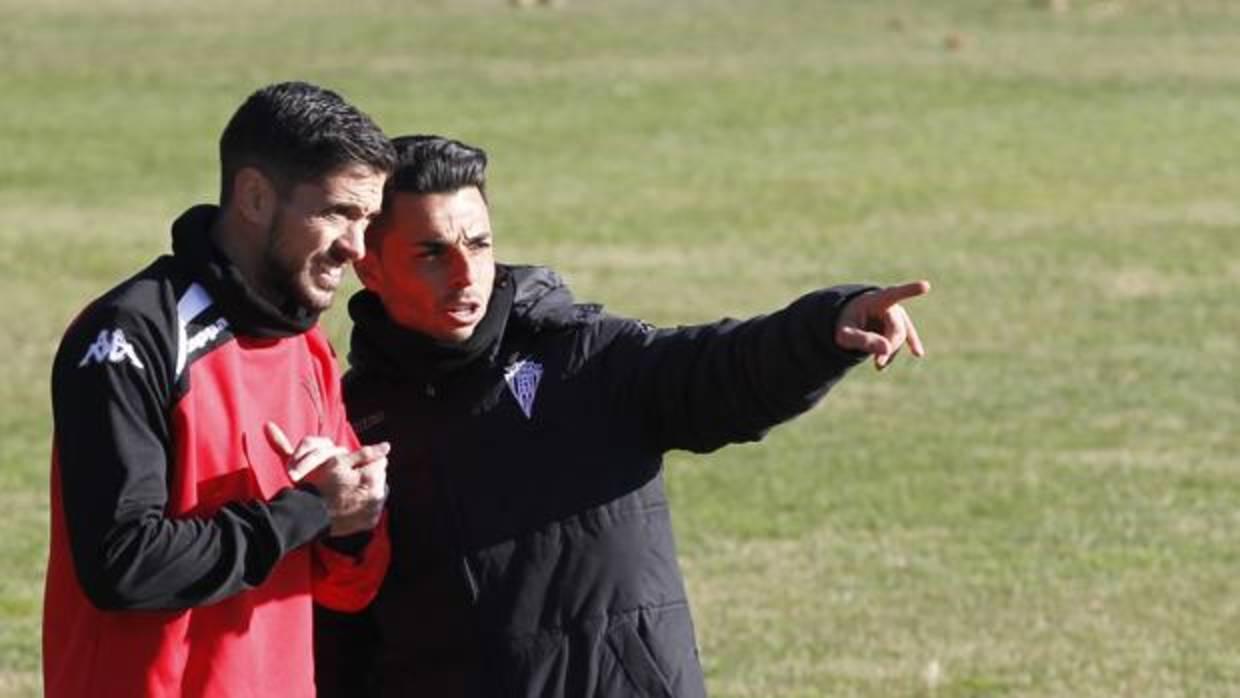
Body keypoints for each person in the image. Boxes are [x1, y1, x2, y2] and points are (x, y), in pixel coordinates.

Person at [315, 135, 930, 698]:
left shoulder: (584, 359)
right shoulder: (354, 423)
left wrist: (825, 328)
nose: (466, 273)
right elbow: (338, 634)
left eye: (479, 244)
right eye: (432, 253)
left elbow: (721, 370)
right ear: (369, 264)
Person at [43, 81, 397, 698]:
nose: (357, 247)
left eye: (367, 219)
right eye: (338, 212)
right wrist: (310, 509)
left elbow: (344, 588)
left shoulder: (307, 350)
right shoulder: (130, 337)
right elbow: (124, 564)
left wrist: (358, 519)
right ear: (255, 196)